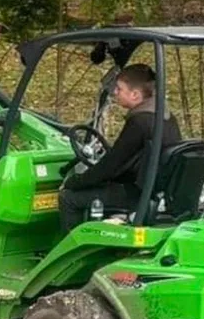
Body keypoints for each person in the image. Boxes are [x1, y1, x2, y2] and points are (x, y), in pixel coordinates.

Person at [58, 64, 182, 232]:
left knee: (69, 198)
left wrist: (75, 182)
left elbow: (110, 166)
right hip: (158, 191)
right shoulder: (166, 117)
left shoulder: (139, 122)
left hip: (138, 194)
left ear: (135, 94)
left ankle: (72, 252)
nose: (115, 92)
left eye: (119, 89)